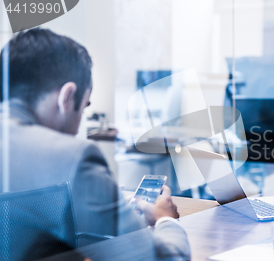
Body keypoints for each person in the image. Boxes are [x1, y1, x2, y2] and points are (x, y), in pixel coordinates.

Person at [0, 28, 189, 260]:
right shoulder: (73, 156)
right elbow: (166, 258)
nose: (78, 126)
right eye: (84, 106)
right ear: (67, 97)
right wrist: (165, 220)